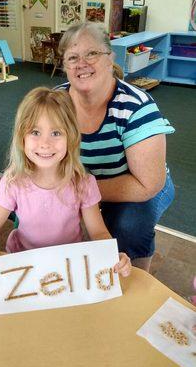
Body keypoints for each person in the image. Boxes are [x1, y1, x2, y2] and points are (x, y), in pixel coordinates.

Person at [0, 87, 131, 285]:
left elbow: (98, 232)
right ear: (21, 137)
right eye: (35, 132)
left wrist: (112, 256)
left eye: (56, 133)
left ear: (71, 137)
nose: (45, 143)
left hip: (67, 268)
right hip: (24, 265)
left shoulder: (84, 183)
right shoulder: (13, 182)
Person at [56, 21, 175, 272]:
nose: (82, 63)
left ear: (110, 58)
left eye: (92, 54)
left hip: (142, 185)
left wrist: (78, 194)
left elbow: (148, 184)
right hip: (82, 183)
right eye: (73, 57)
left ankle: (138, 275)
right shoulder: (56, 102)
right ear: (65, 66)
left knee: (126, 226)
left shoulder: (136, 106)